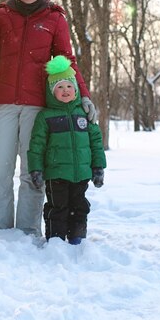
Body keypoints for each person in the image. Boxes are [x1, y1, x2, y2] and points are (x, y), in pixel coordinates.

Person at [0, 0, 97, 236]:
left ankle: (28, 230)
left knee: (32, 169)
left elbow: (67, 61)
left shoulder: (54, 18)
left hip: (37, 104)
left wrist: (83, 95)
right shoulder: (2, 16)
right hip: (3, 102)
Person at [27, 55, 106, 244]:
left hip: (81, 173)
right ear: (51, 91)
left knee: (79, 206)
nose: (65, 91)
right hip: (57, 174)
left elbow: (96, 141)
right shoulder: (45, 116)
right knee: (58, 207)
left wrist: (98, 167)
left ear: (76, 89)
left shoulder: (84, 114)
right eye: (59, 87)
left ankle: (77, 237)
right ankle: (56, 239)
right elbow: (36, 144)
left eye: (69, 86)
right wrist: (36, 169)